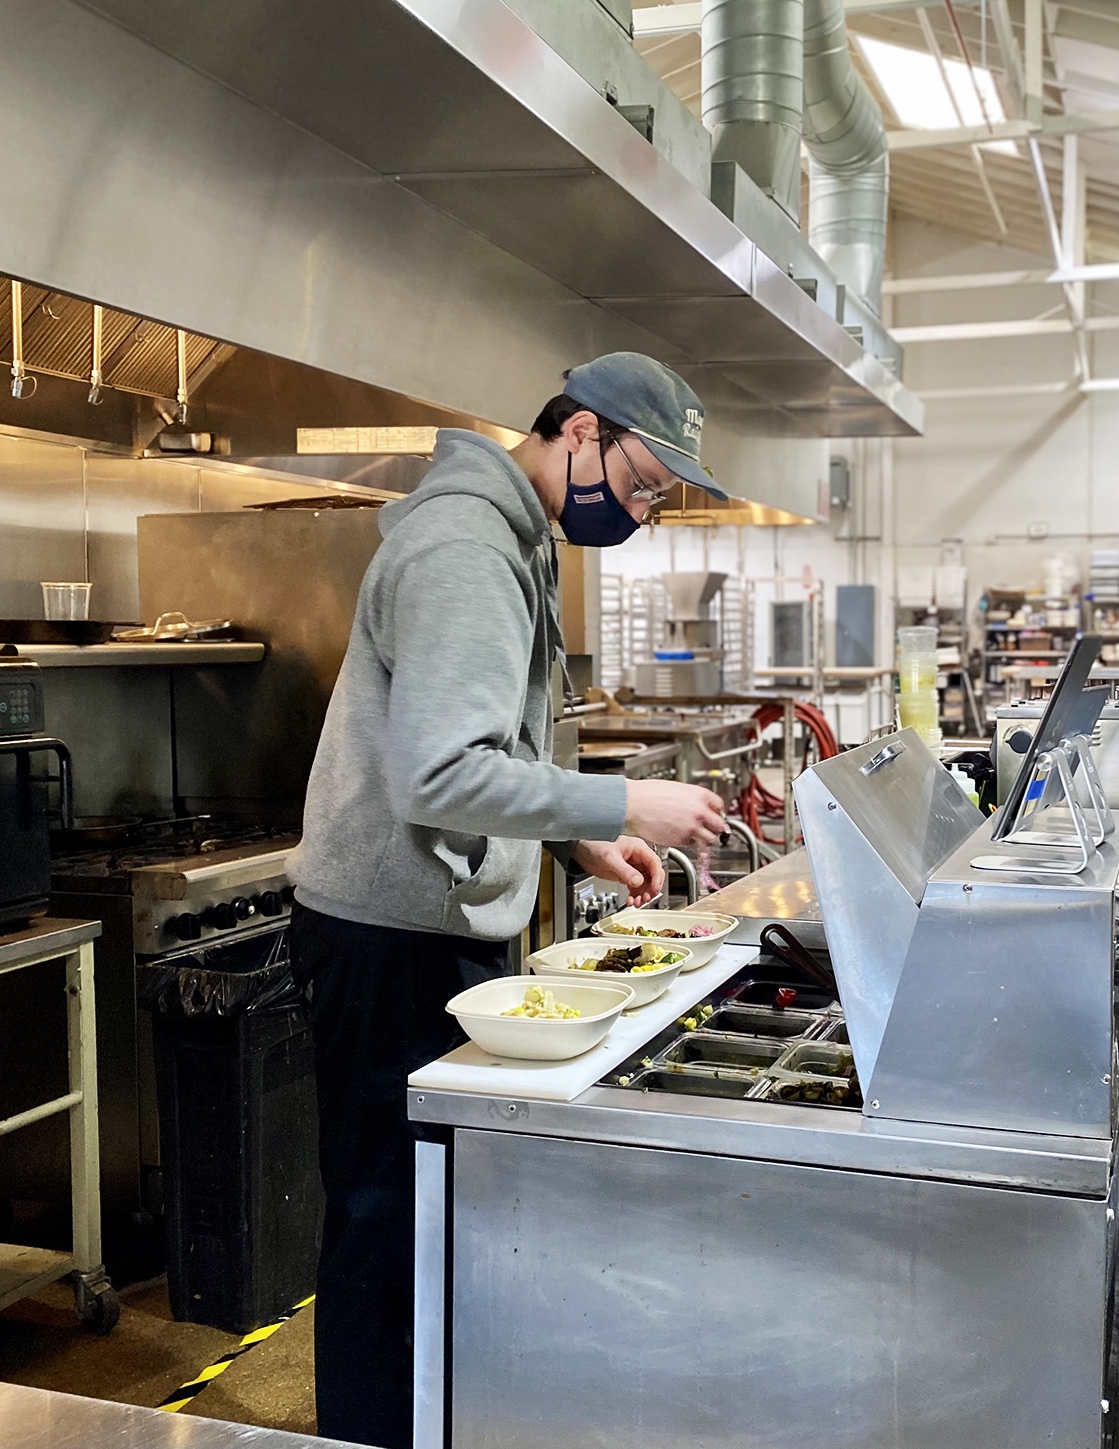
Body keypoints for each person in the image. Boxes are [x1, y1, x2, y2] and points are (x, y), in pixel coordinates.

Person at [286, 353, 730, 1447]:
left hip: (424, 926)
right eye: (640, 482)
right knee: (385, 1227)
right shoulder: (465, 548)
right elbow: (435, 774)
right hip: (388, 937)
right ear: (577, 432)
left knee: (423, 1217)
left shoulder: (512, 541)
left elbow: (491, 750)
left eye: (658, 499)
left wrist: (583, 842)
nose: (641, 509)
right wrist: (630, 796)